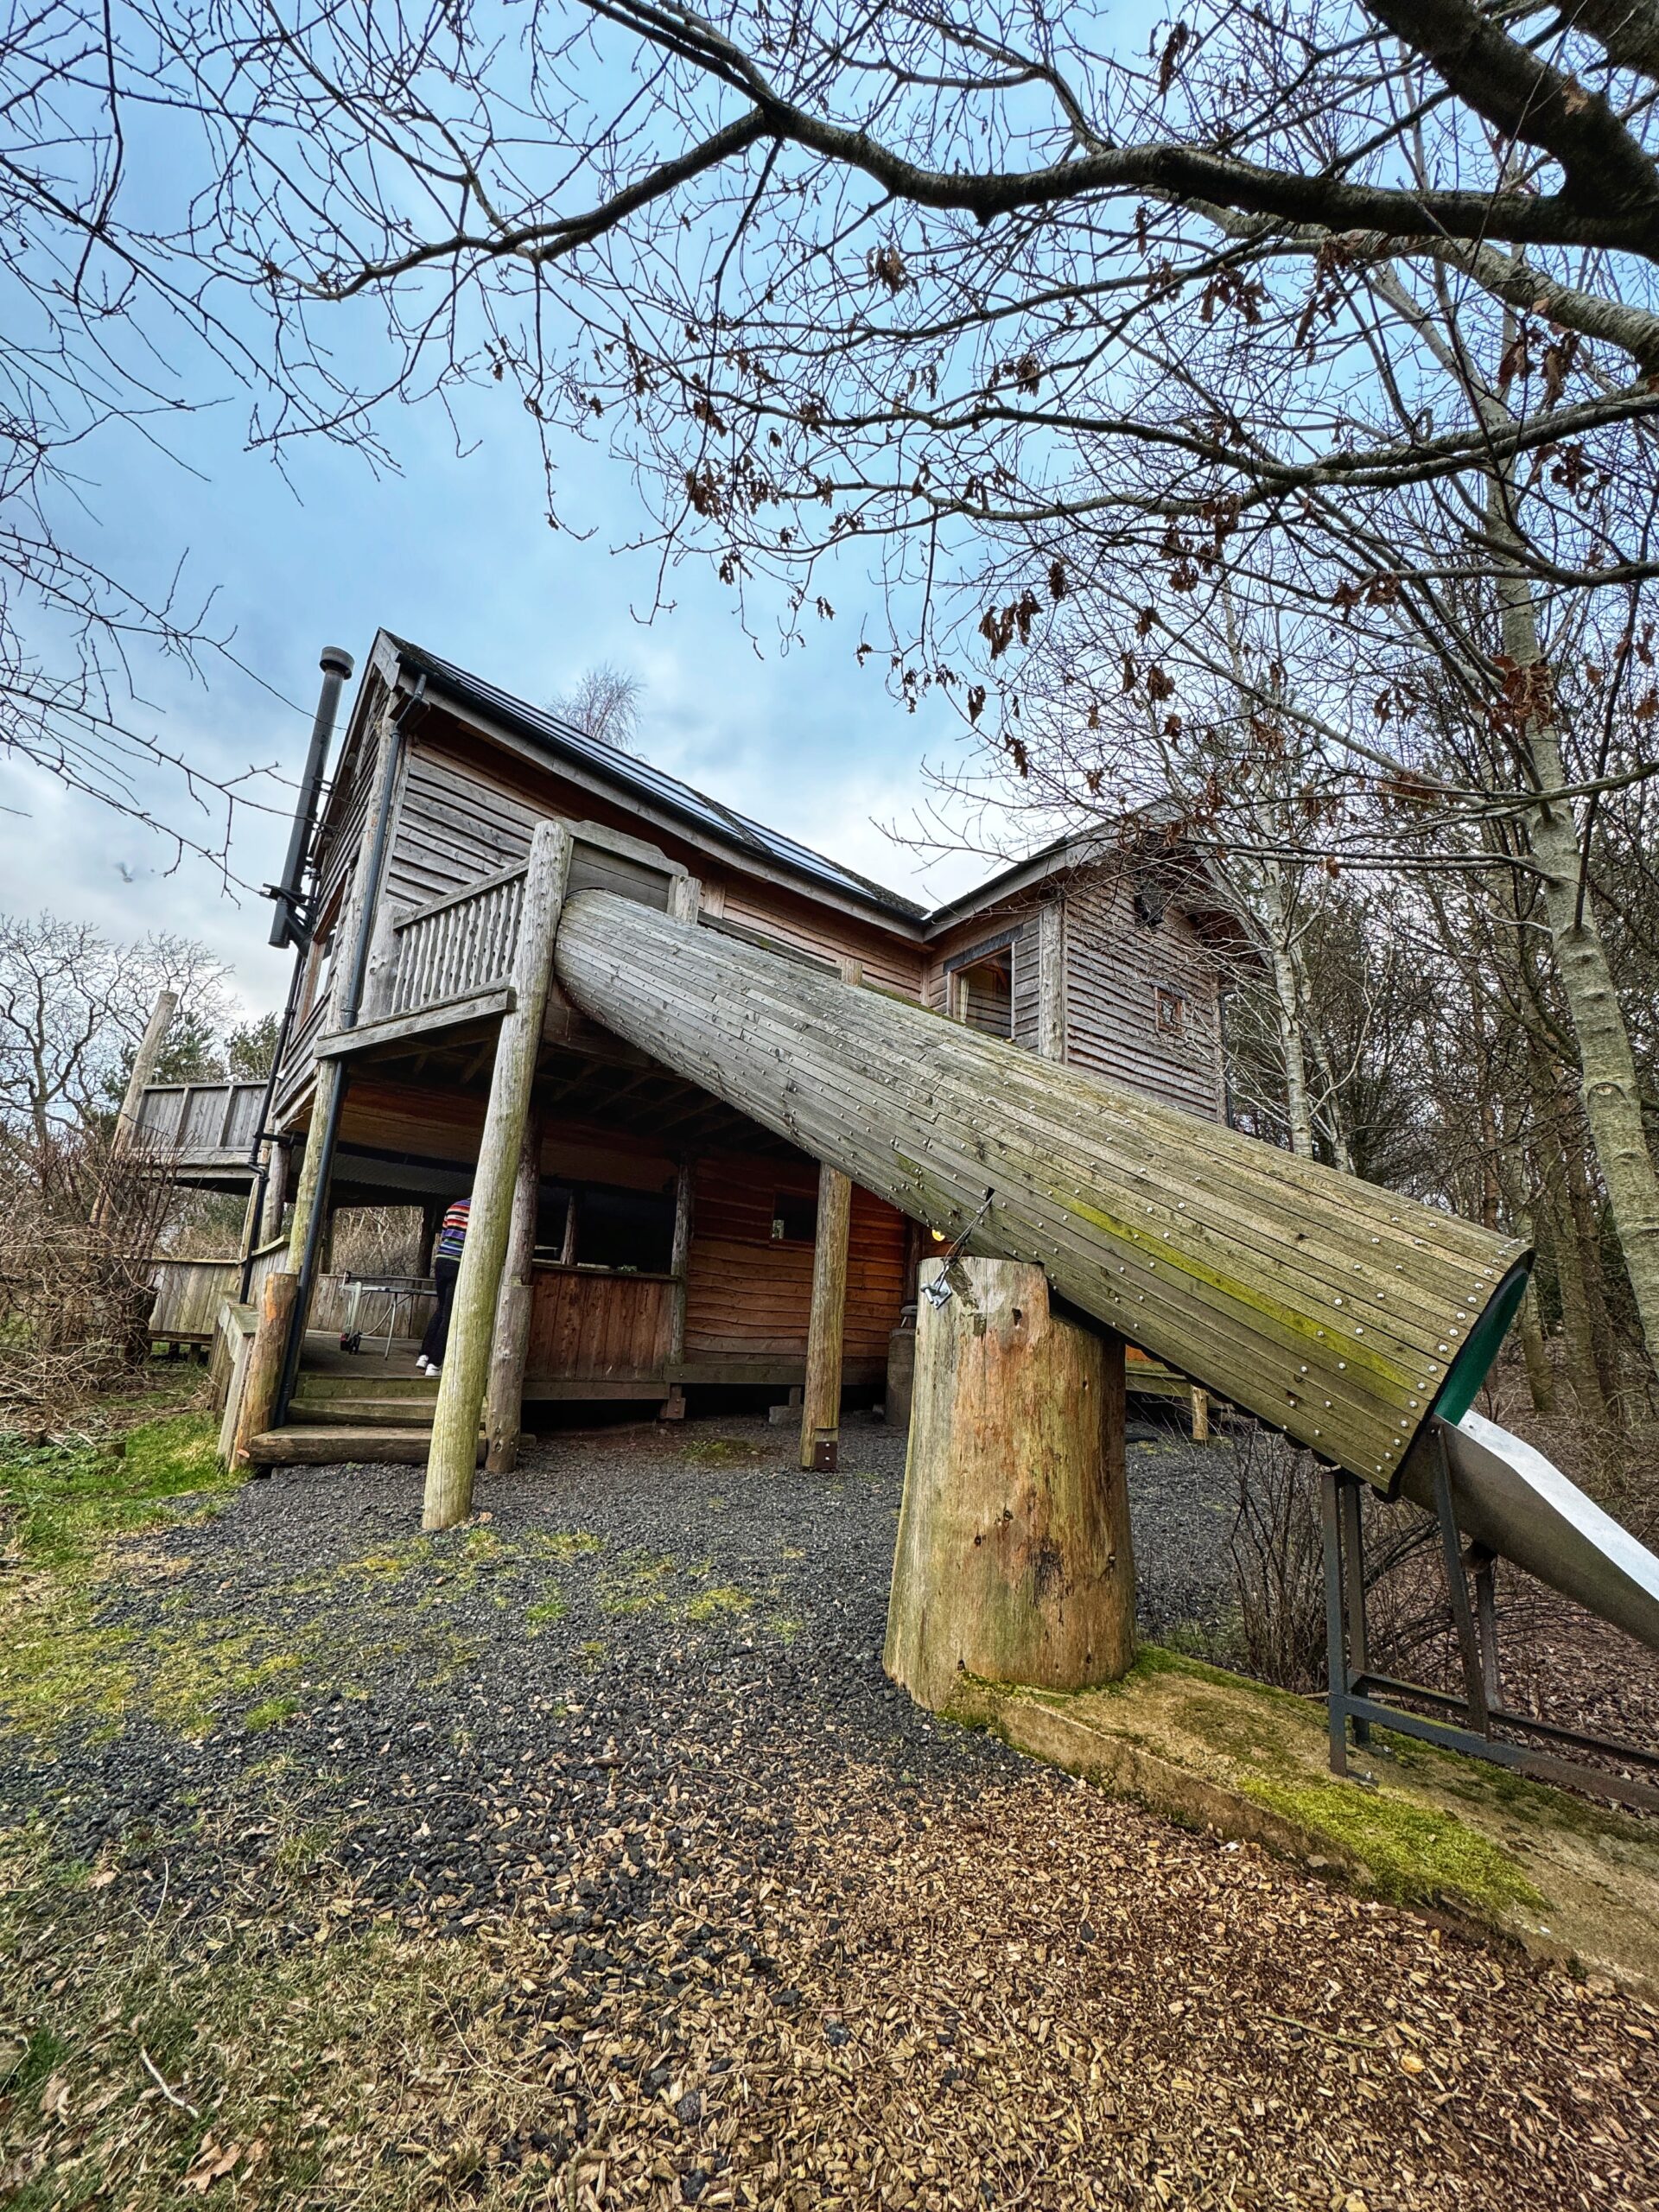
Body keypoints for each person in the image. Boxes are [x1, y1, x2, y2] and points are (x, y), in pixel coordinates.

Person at [419, 1193, 470, 1375]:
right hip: (458, 1262)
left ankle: (424, 1355)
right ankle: (435, 1363)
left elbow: (444, 1234)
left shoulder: (454, 1207)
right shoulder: (480, 1211)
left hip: (441, 1260)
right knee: (449, 1313)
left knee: (440, 1309)